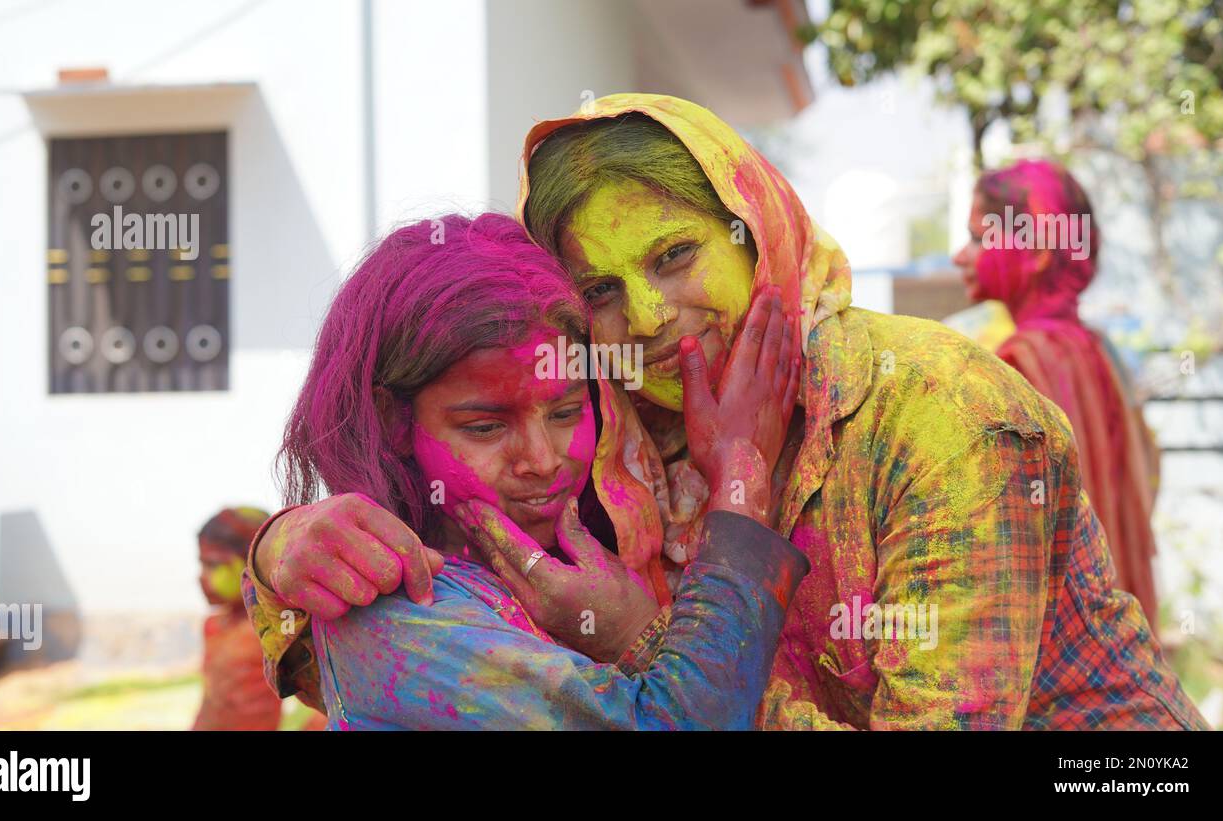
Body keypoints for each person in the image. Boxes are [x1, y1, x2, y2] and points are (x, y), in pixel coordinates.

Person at [253, 95, 1206, 730]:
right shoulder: (611, 436)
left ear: (758, 228)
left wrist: (643, 644)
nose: (655, 317)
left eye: (675, 255)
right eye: (604, 288)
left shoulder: (934, 411)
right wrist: (283, 549)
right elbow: (437, 625)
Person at [247, 213, 807, 729]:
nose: (542, 461)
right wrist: (739, 475)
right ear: (394, 421)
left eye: (566, 412)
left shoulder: (603, 543)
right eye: (486, 428)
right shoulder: (400, 611)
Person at [952, 159, 1161, 630]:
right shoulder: (1100, 353)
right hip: (1118, 638)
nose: (959, 256)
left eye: (980, 238)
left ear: (1037, 250)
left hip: (1058, 645)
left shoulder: (1018, 364)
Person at [193, 506, 283, 731]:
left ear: (253, 563)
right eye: (201, 564)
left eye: (214, 565)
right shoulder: (213, 626)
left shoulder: (275, 628)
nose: (202, 577)